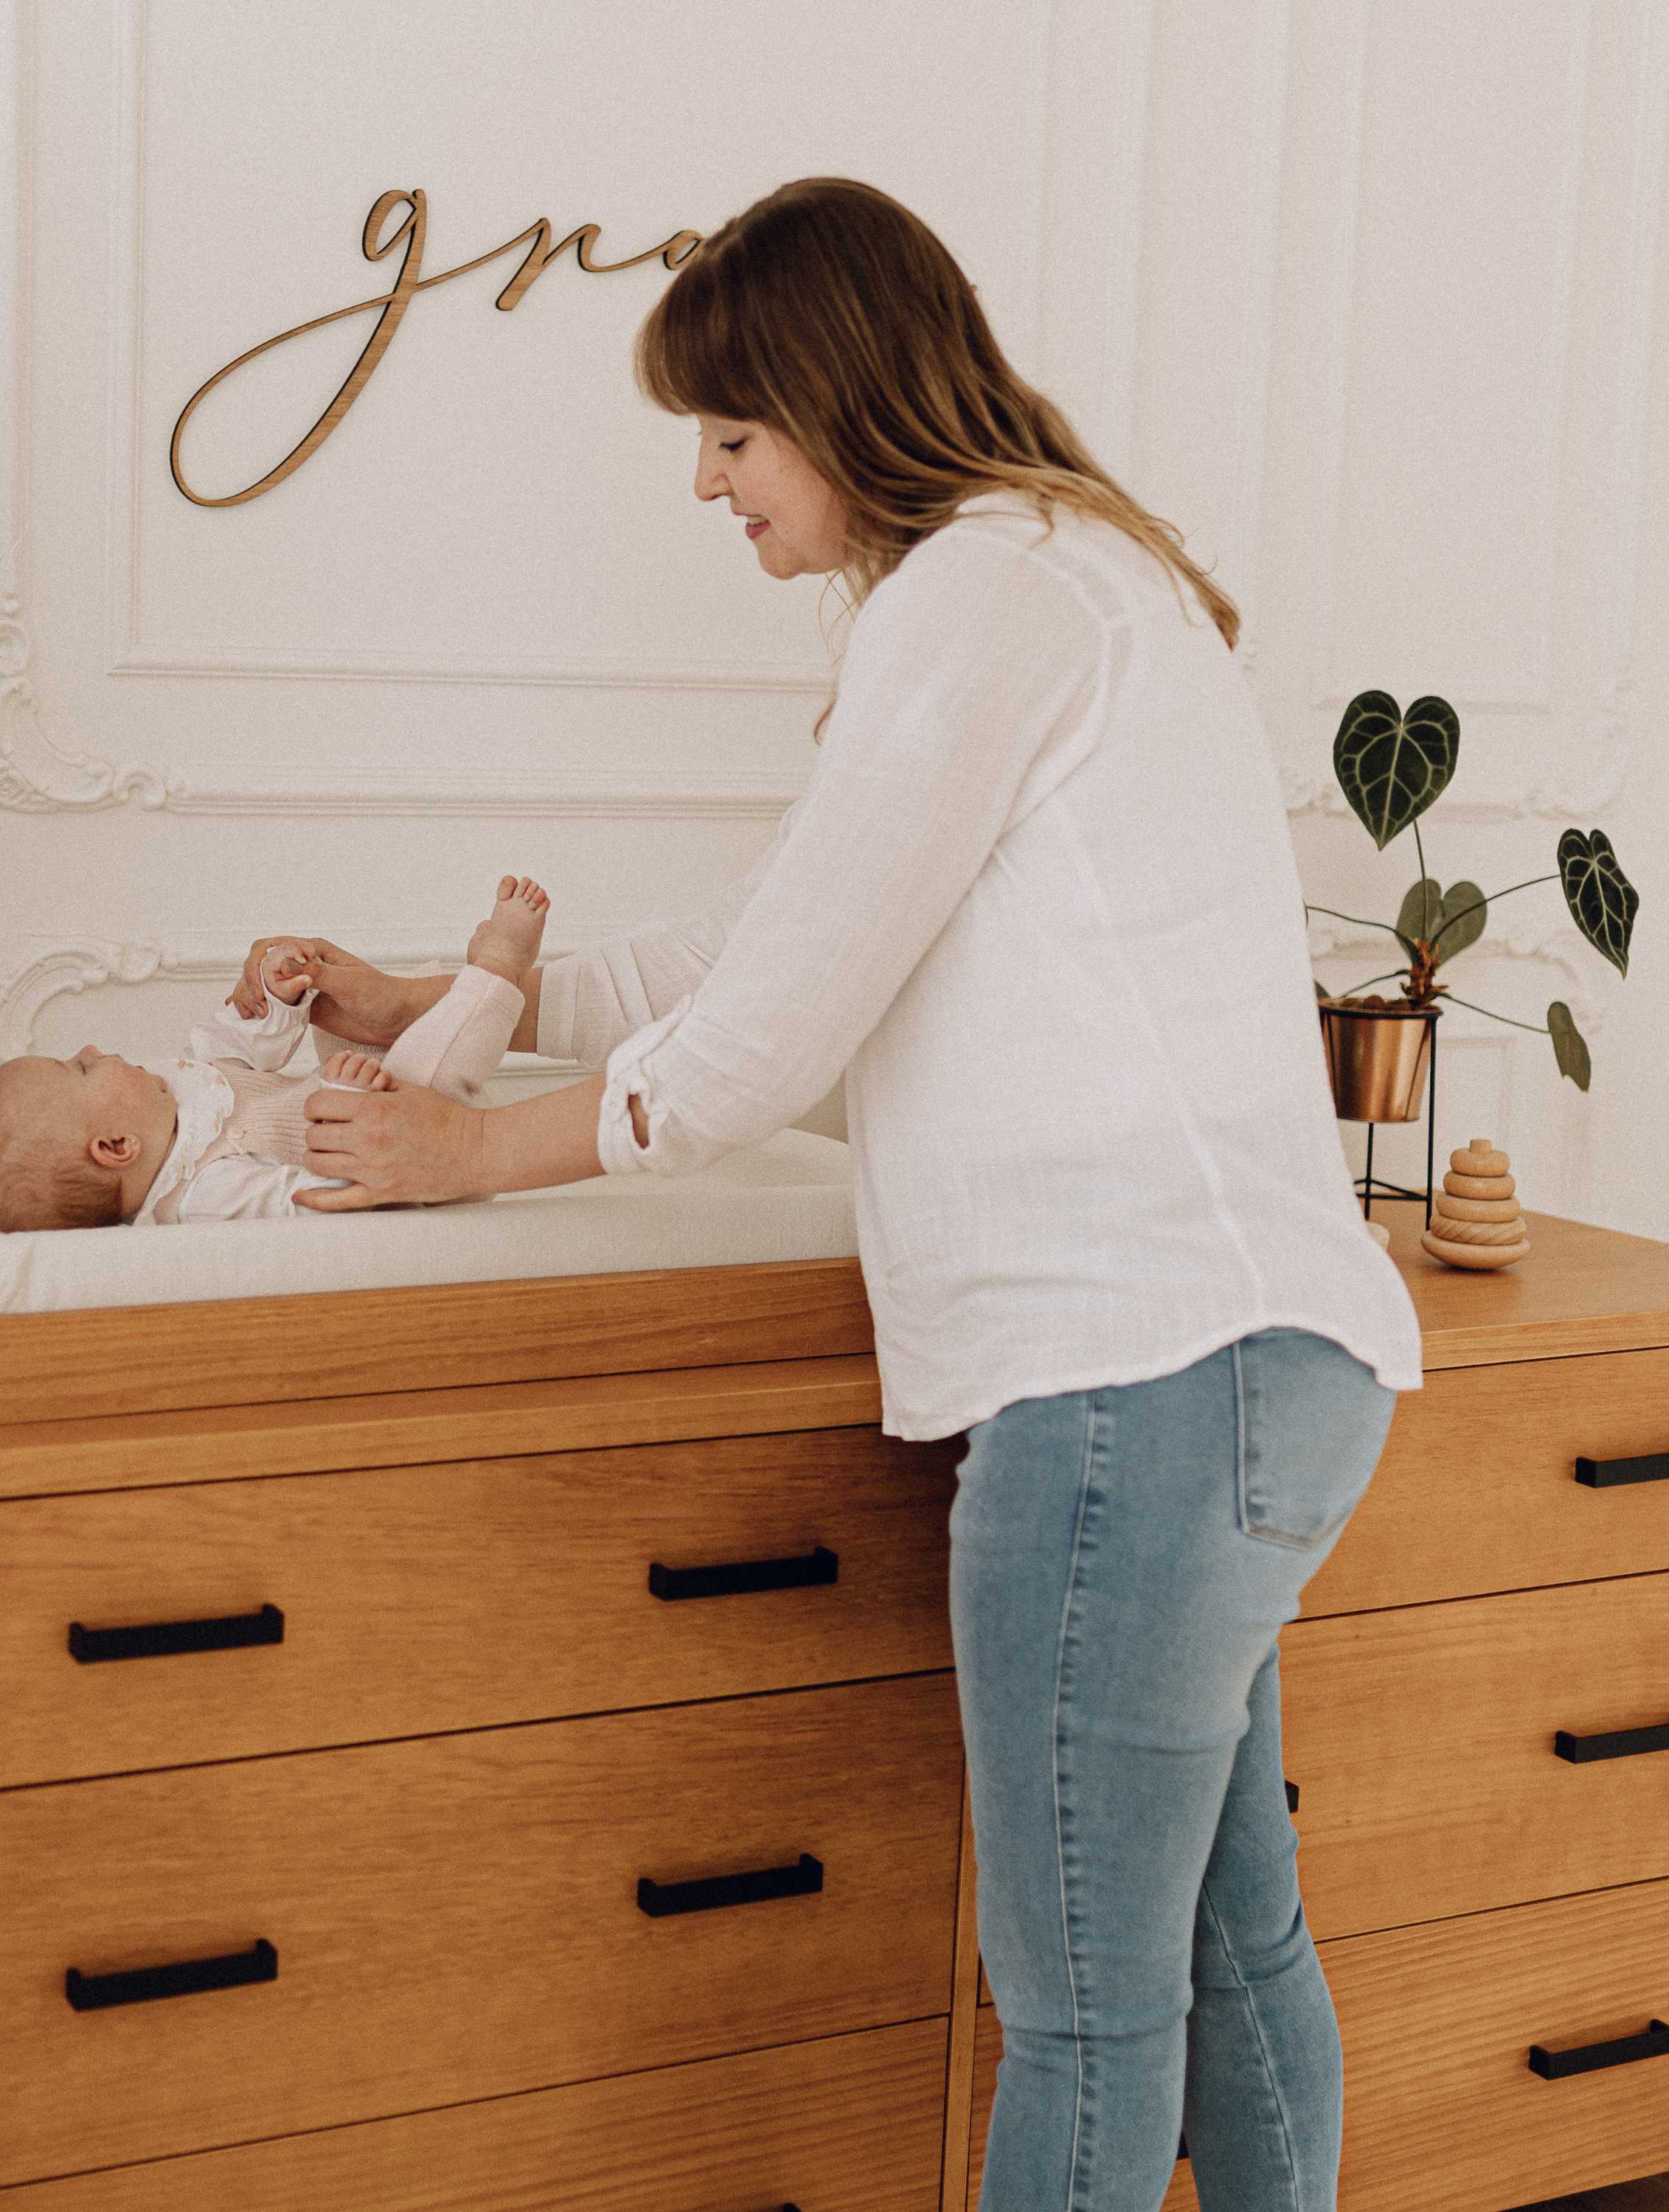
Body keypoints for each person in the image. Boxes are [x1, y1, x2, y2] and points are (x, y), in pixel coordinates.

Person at [235, 178, 1424, 2211]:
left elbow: (770, 1034)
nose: (706, 484)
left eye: (728, 433)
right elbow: (769, 940)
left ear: (834, 396)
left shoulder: (979, 595)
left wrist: (469, 1148)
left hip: (1133, 1379)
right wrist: (446, 1002)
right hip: (1249, 1365)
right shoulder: (1049, 574)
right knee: (1233, 1949)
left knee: (1083, 2017)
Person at [0, 875, 547, 1232]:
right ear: (116, 1147)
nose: (90, 1049)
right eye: (79, 1068)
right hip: (419, 1152)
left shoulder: (169, 1091)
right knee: (422, 1061)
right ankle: (499, 967)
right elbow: (319, 1204)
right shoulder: (205, 1199)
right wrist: (349, 1103)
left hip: (363, 1088)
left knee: (338, 1015)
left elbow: (235, 1042)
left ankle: (440, 999)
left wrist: (277, 994)